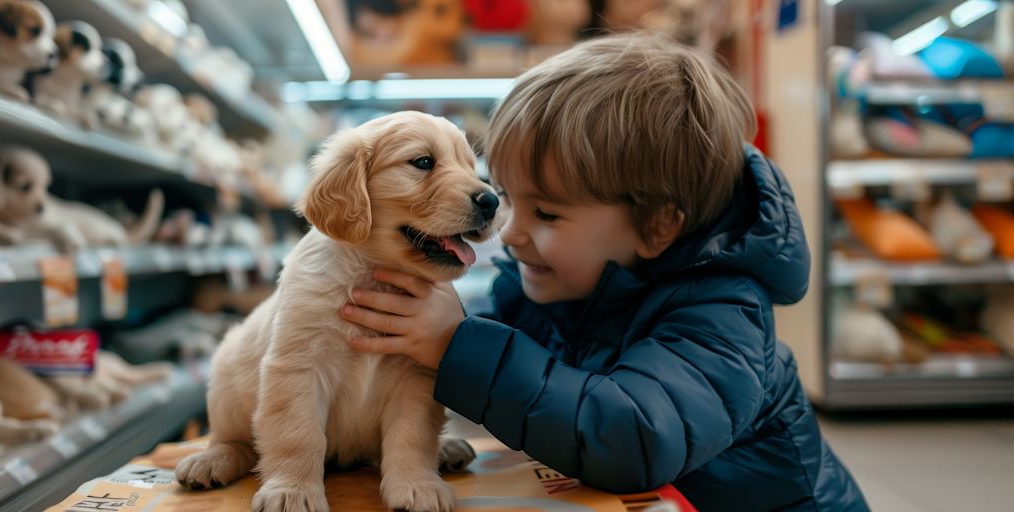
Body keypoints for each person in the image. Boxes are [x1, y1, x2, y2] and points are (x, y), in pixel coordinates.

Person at [340, 32, 869, 511]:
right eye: (506, 199)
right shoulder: (554, 283)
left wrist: (457, 345)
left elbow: (633, 440)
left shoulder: (722, 316)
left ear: (659, 225)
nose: (512, 232)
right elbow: (506, 367)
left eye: (546, 213)